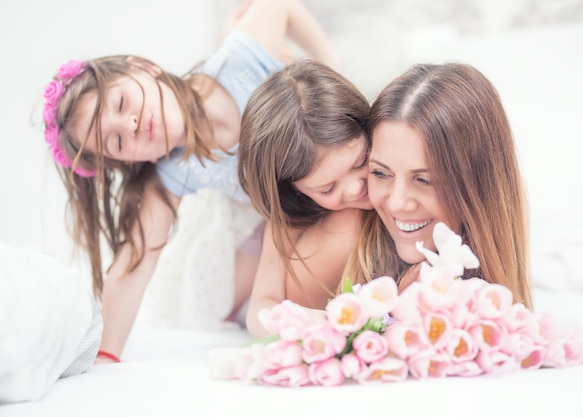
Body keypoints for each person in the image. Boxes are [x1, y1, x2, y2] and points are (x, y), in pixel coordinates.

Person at [41, 0, 339, 363]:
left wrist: (329, 67)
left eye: (120, 103)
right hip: (288, 219)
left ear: (144, 67)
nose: (131, 125)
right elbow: (132, 266)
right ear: (134, 161)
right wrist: (105, 357)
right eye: (118, 142)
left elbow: (278, 6)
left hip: (330, 179)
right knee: (245, 303)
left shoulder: (237, 63)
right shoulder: (171, 172)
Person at [343, 62, 533, 309]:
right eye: (380, 173)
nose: (397, 202)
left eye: (424, 180)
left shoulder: (502, 232)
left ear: (478, 186)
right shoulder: (347, 235)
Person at [237, 59, 372, 337]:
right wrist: (311, 321)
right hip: (252, 283)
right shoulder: (287, 218)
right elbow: (260, 308)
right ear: (294, 189)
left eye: (361, 162)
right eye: (328, 189)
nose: (355, 188)